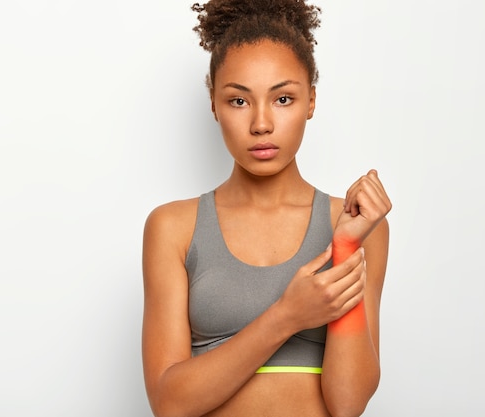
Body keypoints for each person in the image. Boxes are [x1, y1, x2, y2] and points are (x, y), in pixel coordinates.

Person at [141, 1, 392, 416]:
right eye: (239, 101)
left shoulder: (357, 225)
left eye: (283, 99)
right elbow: (169, 403)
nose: (261, 123)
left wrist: (345, 247)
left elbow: (347, 404)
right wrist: (287, 316)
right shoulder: (173, 227)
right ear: (213, 104)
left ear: (311, 101)